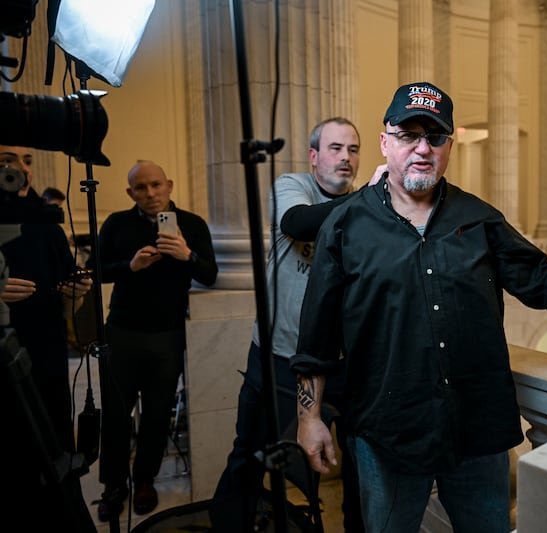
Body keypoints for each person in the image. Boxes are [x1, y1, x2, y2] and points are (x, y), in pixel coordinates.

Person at [290, 82, 547, 532]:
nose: (422, 148)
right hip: (390, 434)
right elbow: (317, 335)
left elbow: (539, 280)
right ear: (385, 141)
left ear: (450, 146)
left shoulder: (479, 217)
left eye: (436, 137)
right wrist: (308, 418)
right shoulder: (345, 225)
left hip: (477, 430)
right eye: (409, 135)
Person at [211, 117, 382, 532]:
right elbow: (298, 223)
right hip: (279, 357)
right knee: (251, 452)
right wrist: (374, 199)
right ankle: (229, 525)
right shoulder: (292, 186)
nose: (345, 157)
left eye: (353, 149)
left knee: (361, 463)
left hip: (345, 364)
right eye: (336, 148)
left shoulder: (368, 206)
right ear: (314, 156)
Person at [91, 160, 218, 521]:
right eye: (141, 188)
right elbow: (95, 269)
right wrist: (129, 267)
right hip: (123, 332)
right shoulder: (117, 223)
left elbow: (209, 274)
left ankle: (145, 479)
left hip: (168, 333)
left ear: (169, 185)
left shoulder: (191, 225)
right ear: (130, 193)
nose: (150, 194)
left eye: (156, 186)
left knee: (157, 413)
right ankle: (114, 486)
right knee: (116, 414)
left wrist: (186, 255)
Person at [0, 145, 94, 530]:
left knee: (52, 463)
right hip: (5, 369)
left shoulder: (47, 224)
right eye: (5, 160)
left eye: (26, 160)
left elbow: (67, 299)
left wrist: (76, 293)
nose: (19, 169)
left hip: (47, 362)